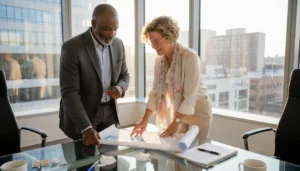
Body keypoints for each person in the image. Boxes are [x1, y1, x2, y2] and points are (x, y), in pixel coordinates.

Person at [131, 16, 212, 144]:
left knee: (195, 154)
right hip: (178, 111)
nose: (153, 46)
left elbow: (190, 96)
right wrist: (145, 118)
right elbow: (155, 93)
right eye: (151, 42)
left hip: (198, 110)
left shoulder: (190, 57)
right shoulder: (159, 61)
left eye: (157, 41)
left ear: (169, 36)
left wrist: (176, 122)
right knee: (177, 153)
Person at [59, 4, 130, 147]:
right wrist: (85, 127)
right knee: (86, 164)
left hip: (109, 111)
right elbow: (69, 93)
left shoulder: (118, 45)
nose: (112, 34)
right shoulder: (72, 47)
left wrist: (120, 88)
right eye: (107, 28)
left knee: (110, 161)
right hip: (83, 114)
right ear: (93, 24)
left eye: (115, 29)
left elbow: (125, 75)